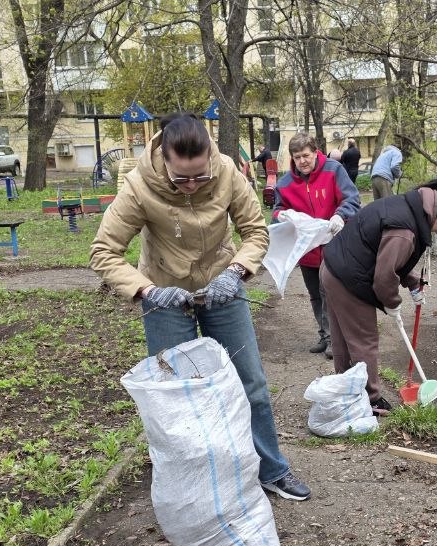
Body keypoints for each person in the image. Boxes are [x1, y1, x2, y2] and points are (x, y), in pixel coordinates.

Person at [90, 113, 311, 501]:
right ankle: (194, 480)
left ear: (210, 156)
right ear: (165, 161)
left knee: (251, 383)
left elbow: (256, 232)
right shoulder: (140, 185)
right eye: (181, 179)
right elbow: (104, 252)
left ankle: (270, 469)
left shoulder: (226, 172)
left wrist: (237, 271)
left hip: (222, 290)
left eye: (200, 176)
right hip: (165, 296)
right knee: (177, 394)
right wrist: (147, 291)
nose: (192, 184)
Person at [321, 179, 437, 413]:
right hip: (349, 279)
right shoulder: (405, 231)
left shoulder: (407, 206)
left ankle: (345, 390)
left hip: (333, 267)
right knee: (363, 341)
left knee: (343, 338)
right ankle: (370, 400)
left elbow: (386, 255)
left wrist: (413, 282)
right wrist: (392, 302)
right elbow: (384, 276)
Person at [272, 132, 361, 360]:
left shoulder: (333, 170)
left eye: (306, 156)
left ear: (315, 152)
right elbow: (276, 211)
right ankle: (324, 336)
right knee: (315, 295)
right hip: (306, 249)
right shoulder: (285, 183)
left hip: (334, 243)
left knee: (329, 292)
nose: (302, 161)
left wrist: (340, 216)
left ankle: (335, 340)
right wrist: (284, 216)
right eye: (297, 157)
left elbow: (352, 198)